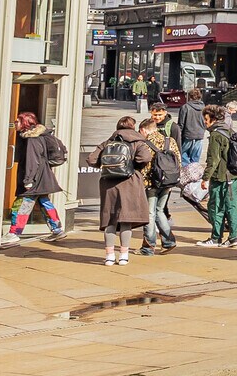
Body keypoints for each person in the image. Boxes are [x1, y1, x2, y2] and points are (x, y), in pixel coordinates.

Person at [89, 116, 152, 265]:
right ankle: (124, 255)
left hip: (109, 185)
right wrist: (132, 166)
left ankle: (109, 256)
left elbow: (92, 159)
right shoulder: (137, 142)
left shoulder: (108, 142)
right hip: (129, 183)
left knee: (110, 220)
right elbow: (145, 157)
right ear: (132, 127)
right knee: (126, 220)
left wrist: (108, 166)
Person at [3, 112, 68, 244]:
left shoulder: (32, 139)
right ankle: (57, 229)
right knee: (44, 202)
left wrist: (28, 181)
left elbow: (33, 161)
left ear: (25, 123)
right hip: (44, 178)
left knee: (20, 205)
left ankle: (14, 232)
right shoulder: (40, 136)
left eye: (18, 121)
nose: (15, 123)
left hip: (35, 180)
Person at [200, 104, 237, 247]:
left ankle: (216, 237)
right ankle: (233, 237)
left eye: (206, 119)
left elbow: (213, 160)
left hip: (220, 177)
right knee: (232, 206)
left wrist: (205, 178)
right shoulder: (229, 130)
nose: (204, 122)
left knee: (215, 206)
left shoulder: (215, 135)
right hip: (233, 175)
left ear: (212, 118)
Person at [139, 116, 181, 254]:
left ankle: (148, 247)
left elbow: (144, 166)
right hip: (168, 181)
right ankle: (168, 242)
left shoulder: (145, 144)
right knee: (159, 210)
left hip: (152, 183)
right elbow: (178, 160)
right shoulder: (170, 141)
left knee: (150, 213)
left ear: (144, 130)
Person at [179, 88, 208, 167]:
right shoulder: (204, 107)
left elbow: (181, 123)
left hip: (188, 134)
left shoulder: (185, 107)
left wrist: (178, 135)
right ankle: (194, 172)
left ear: (189, 97)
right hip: (200, 134)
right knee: (195, 157)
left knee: (182, 154)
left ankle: (188, 170)